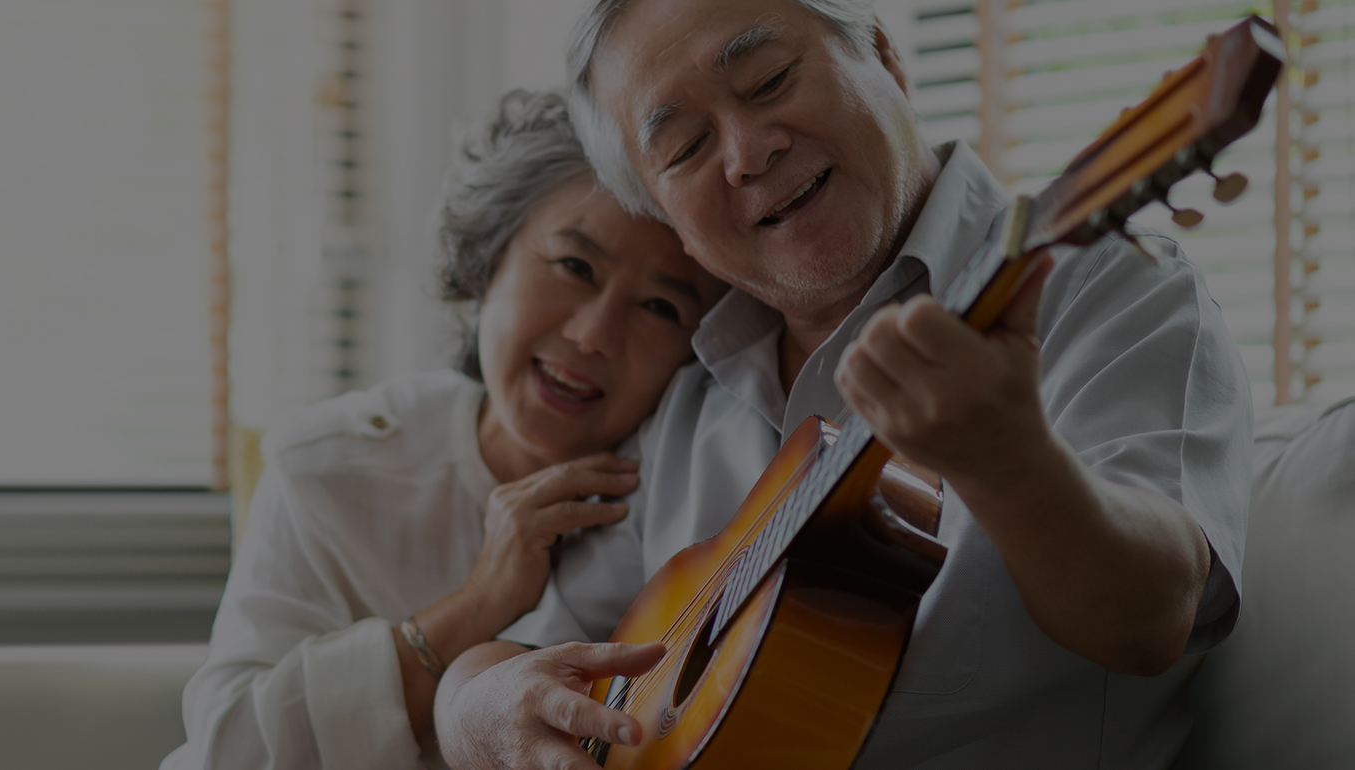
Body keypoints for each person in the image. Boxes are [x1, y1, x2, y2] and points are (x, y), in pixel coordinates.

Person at [432, 1, 1253, 768]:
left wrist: (1010, 460)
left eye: (769, 82)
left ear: (885, 56)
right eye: (683, 149)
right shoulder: (688, 397)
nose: (749, 153)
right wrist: (480, 705)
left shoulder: (1105, 293)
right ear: (666, 218)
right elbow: (533, 649)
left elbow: (1151, 621)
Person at [161, 90, 729, 770]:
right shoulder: (330, 467)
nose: (594, 335)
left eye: (661, 307)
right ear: (489, 259)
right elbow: (229, 750)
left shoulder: (694, 497)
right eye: (575, 267)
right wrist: (479, 603)